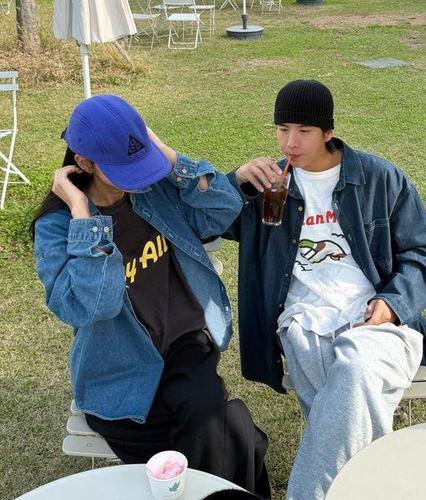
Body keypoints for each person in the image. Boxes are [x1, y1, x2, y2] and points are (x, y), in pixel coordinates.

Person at [223, 80, 426, 499]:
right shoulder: (269, 184)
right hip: (303, 318)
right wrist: (235, 182)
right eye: (282, 129)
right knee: (346, 396)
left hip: (375, 319)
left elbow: (423, 250)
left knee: (353, 369)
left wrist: (392, 303)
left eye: (304, 131)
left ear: (328, 131)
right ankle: (366, 482)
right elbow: (209, 222)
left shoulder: (378, 178)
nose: (290, 143)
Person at [30, 95, 270, 498]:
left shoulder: (153, 190)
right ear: (84, 163)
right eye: (124, 169)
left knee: (203, 414)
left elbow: (225, 208)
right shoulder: (56, 227)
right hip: (118, 371)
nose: (139, 177)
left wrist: (168, 156)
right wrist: (83, 216)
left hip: (185, 344)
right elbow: (93, 306)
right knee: (224, 428)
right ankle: (242, 440)